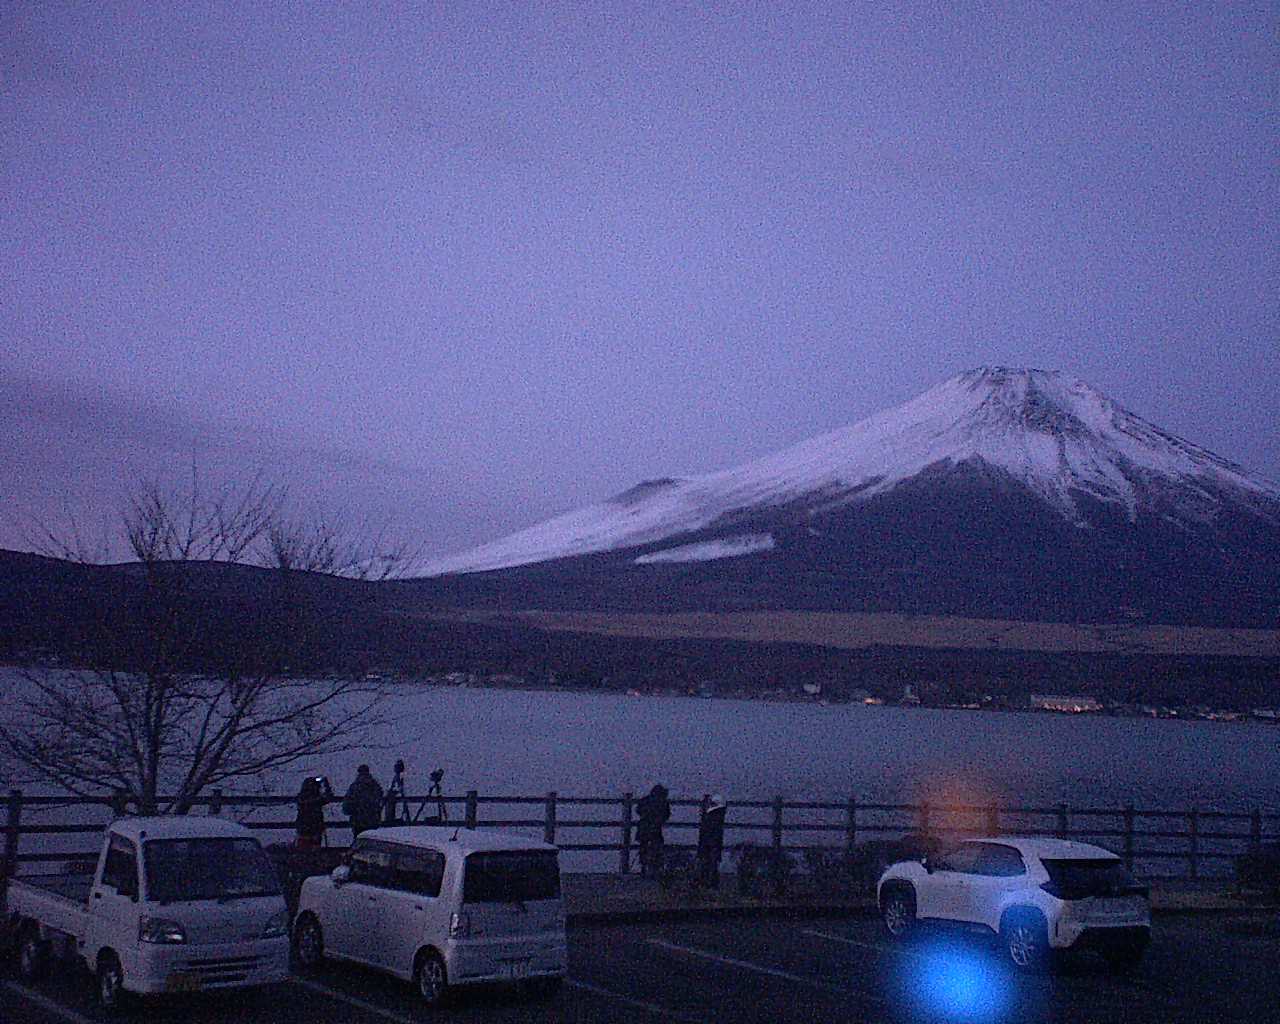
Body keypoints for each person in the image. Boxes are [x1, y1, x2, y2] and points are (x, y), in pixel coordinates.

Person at [636, 784, 671, 879]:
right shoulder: (663, 802)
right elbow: (667, 815)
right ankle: (656, 867)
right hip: (655, 827)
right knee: (657, 846)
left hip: (644, 827)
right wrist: (659, 820)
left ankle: (643, 866)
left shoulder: (645, 800)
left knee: (643, 846)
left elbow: (638, 810)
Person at [342, 764, 384, 838]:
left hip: (358, 820)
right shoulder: (375, 786)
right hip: (372, 820)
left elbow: (347, 805)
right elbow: (379, 799)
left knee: (360, 841)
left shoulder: (355, 787)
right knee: (372, 840)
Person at [697, 793, 728, 889]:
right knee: (711, 861)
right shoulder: (718, 815)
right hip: (713, 839)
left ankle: (705, 882)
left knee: (707, 860)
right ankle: (711, 882)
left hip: (708, 839)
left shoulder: (709, 816)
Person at [295, 776, 333, 849]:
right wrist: (326, 784)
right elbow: (328, 797)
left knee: (303, 849)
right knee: (313, 849)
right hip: (314, 827)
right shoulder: (314, 800)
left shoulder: (302, 798)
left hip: (305, 828)